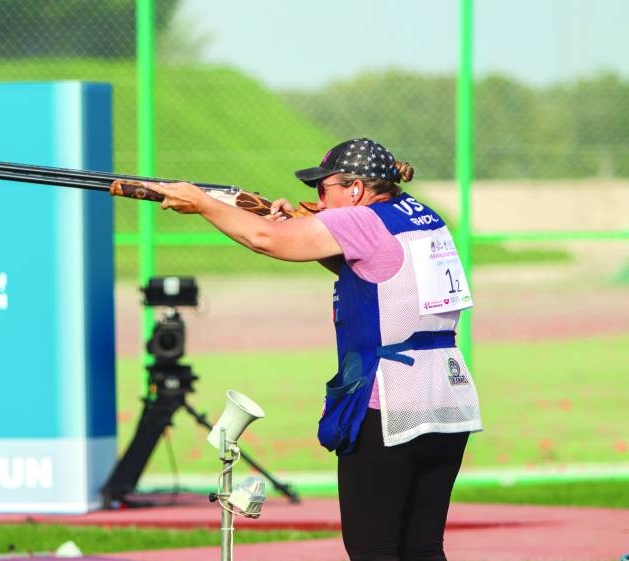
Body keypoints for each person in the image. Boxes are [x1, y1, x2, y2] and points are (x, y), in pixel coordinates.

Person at [146, 138, 482, 561]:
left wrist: (200, 202)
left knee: (372, 549)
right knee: (422, 549)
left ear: (356, 189)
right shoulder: (418, 215)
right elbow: (372, 268)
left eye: (324, 190)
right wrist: (299, 225)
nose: (317, 199)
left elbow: (266, 239)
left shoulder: (361, 221)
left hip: (390, 402)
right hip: (446, 398)